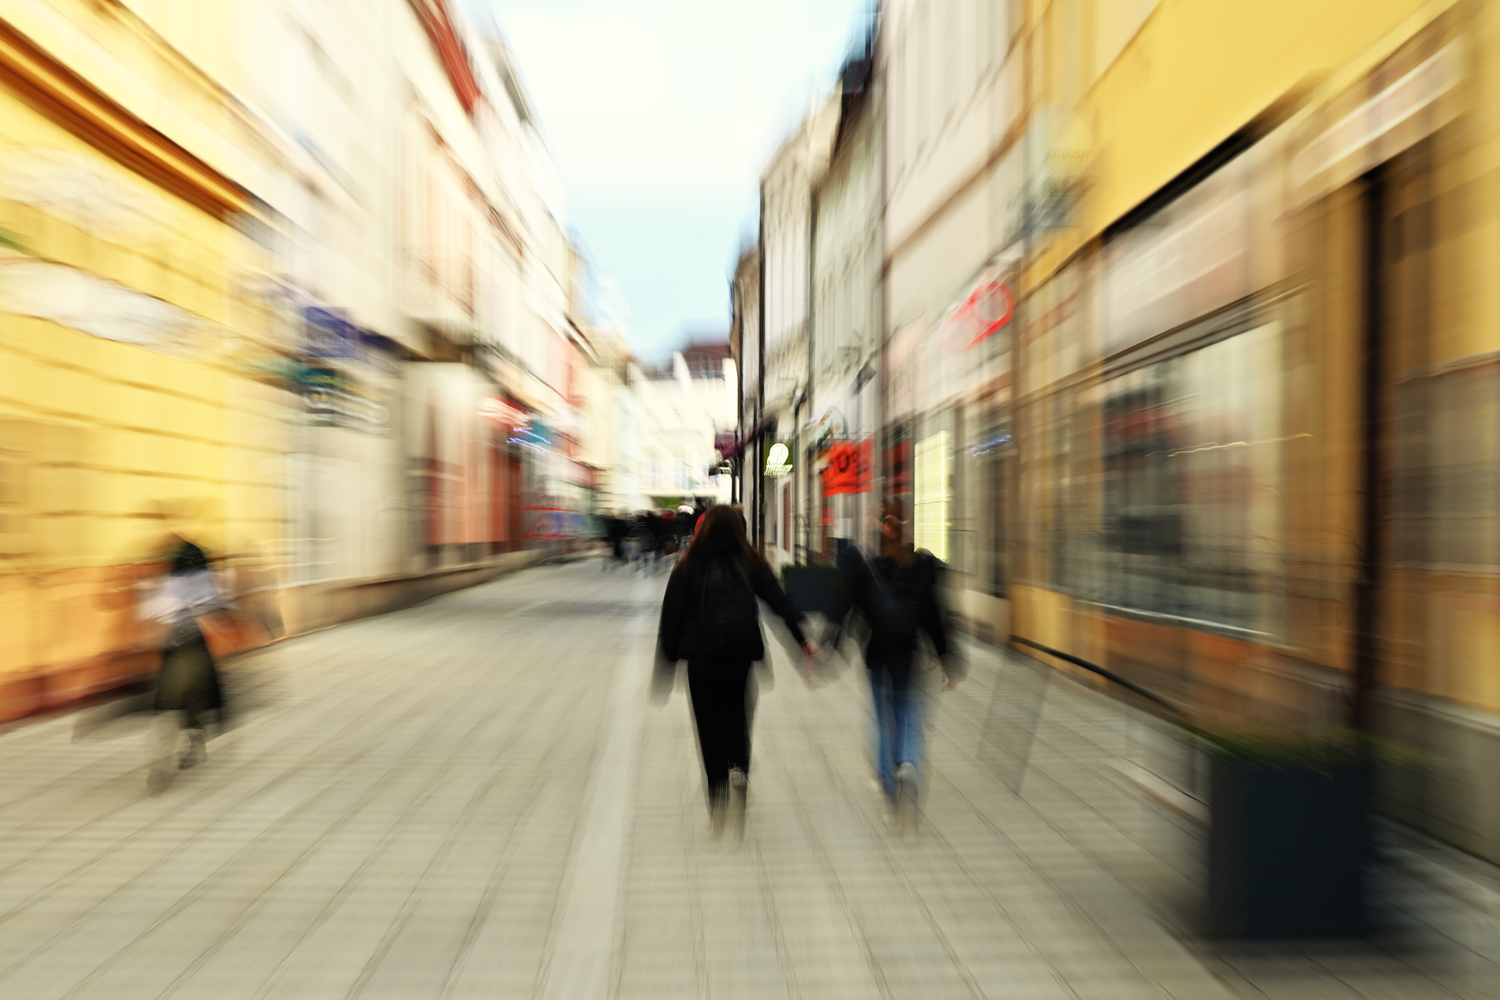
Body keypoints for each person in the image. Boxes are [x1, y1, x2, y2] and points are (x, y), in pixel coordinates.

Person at [655, 504, 817, 835]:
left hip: (701, 660)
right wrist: (802, 640)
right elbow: (779, 602)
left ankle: (717, 799)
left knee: (708, 728)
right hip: (739, 657)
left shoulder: (688, 563)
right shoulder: (750, 560)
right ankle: (738, 769)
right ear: (739, 528)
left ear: (703, 528)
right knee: (737, 718)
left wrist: (666, 664)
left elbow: (670, 616)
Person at [825, 499, 960, 826]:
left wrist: (832, 648)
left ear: (879, 530)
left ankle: (888, 786)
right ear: (905, 528)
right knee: (908, 712)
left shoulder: (869, 566)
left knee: (882, 718)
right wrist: (945, 656)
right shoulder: (920, 567)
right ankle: (909, 764)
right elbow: (934, 616)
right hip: (907, 652)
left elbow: (847, 609)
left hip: (877, 653)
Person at [141, 534, 232, 792]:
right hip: (178, 651)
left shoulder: (184, 578)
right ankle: (168, 759)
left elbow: (211, 606)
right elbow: (215, 607)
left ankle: (174, 756)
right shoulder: (166, 580)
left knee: (177, 705)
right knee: (173, 706)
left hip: (187, 650)